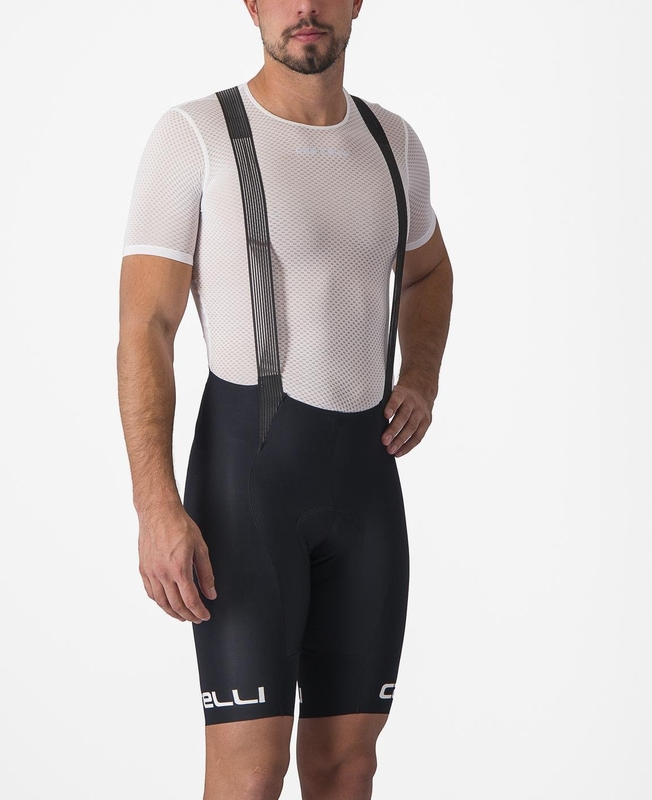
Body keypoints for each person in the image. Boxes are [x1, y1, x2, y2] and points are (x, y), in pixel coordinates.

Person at [117, 1, 453, 797]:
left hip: (365, 494)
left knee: (348, 767)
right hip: (247, 490)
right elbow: (146, 328)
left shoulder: (393, 142)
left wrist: (421, 376)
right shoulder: (195, 136)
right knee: (250, 774)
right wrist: (155, 507)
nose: (305, 8)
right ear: (251, 5)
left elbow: (431, 271)